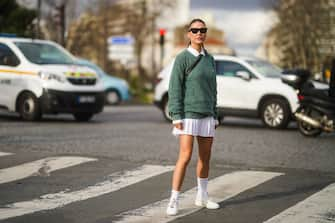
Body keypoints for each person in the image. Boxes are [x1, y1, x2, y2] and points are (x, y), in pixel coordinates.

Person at [166, 18, 220, 216]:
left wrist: (215, 114)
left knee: (205, 158)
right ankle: (174, 200)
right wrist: (176, 115)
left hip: (207, 115)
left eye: (202, 30)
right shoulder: (182, 58)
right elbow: (174, 88)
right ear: (188, 34)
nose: (199, 33)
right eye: (195, 30)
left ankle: (202, 197)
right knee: (185, 156)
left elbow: (213, 89)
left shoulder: (210, 59)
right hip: (188, 114)